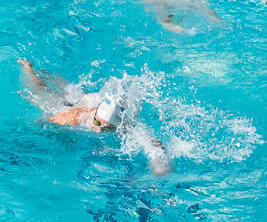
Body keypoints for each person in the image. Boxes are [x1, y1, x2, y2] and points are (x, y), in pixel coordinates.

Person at [18, 58, 173, 174]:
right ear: (95, 117)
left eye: (107, 128)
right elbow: (48, 121)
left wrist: (160, 162)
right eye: (98, 124)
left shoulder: (125, 125)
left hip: (98, 103)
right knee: (43, 96)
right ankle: (29, 68)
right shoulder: (76, 117)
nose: (99, 130)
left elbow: (154, 143)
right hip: (82, 103)